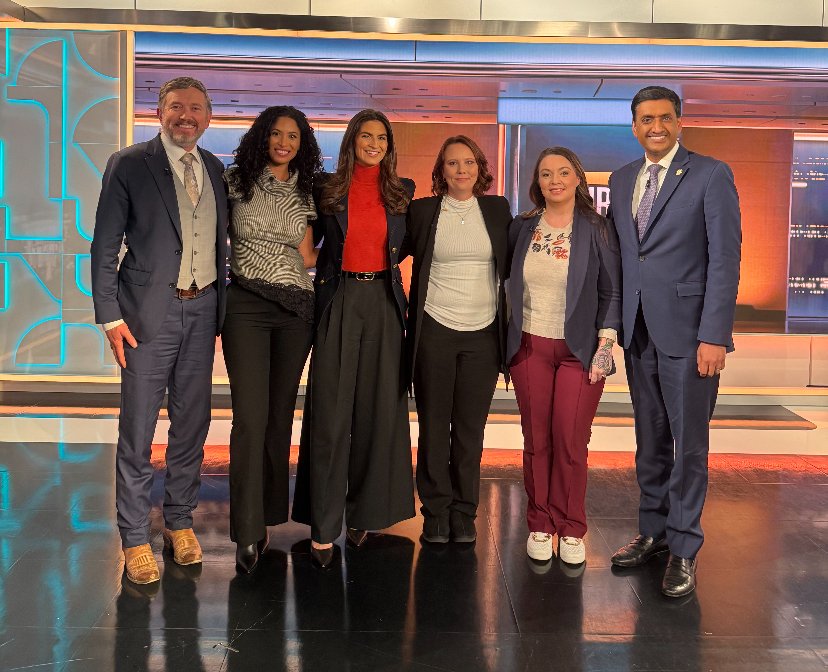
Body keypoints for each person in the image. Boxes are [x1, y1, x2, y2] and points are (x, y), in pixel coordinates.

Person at [90, 77, 229, 585]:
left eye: (195, 108)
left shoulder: (215, 169)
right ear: (160, 111)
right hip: (148, 315)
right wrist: (110, 314)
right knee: (139, 427)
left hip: (204, 309)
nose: (185, 116)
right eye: (176, 107)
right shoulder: (129, 164)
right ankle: (132, 536)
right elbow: (104, 245)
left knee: (192, 423)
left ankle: (179, 521)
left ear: (208, 117)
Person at [607, 86, 741, 597]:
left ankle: (684, 549)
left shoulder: (710, 174)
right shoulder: (621, 180)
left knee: (689, 448)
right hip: (638, 332)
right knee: (650, 443)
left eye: (665, 117)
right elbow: (625, 258)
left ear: (679, 122)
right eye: (645, 119)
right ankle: (654, 532)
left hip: (691, 337)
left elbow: (725, 260)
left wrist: (714, 336)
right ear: (634, 125)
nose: (655, 126)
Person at [291, 109, 415, 568]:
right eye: (366, 135)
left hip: (384, 303)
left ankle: (366, 514)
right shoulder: (326, 188)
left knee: (377, 413)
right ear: (352, 140)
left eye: (382, 137)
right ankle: (323, 526)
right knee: (329, 413)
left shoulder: (403, 193)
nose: (374, 143)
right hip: (339, 300)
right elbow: (309, 246)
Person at [506, 147, 621, 566]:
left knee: (570, 440)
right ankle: (540, 523)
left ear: (577, 178)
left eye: (563, 172)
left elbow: (612, 291)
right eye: (546, 174)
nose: (554, 180)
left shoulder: (597, 229)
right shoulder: (523, 227)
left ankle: (571, 527)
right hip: (530, 346)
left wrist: (604, 347)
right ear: (537, 182)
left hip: (581, 351)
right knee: (537, 440)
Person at [222, 106, 322, 573]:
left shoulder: (304, 191)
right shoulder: (233, 181)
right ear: (262, 136)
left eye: (294, 138)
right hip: (245, 303)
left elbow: (305, 255)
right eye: (277, 134)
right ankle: (245, 530)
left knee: (279, 416)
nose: (284, 143)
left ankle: (266, 517)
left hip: (295, 308)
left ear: (302, 146)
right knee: (249, 417)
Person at [403, 135, 511, 544]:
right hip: (434, 329)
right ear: (441, 171)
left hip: (483, 334)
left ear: (480, 169)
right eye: (452, 164)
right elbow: (391, 249)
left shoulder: (497, 209)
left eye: (468, 163)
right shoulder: (423, 211)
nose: (461, 170)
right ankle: (435, 511)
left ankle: (464, 511)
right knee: (433, 427)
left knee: (469, 430)